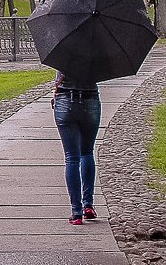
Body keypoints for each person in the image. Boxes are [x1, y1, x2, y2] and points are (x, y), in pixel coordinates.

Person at [52, 70, 101, 225]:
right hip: (90, 98)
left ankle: (76, 212)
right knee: (87, 152)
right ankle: (88, 205)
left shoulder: (61, 48)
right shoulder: (97, 48)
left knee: (72, 158)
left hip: (65, 98)